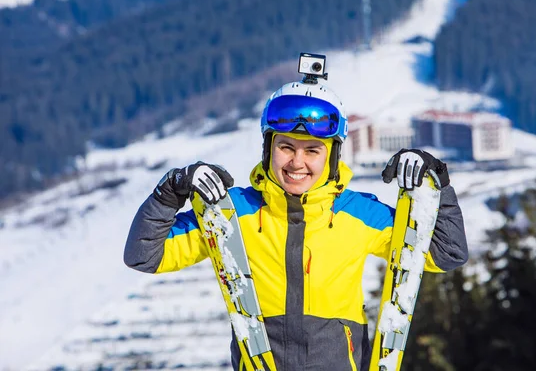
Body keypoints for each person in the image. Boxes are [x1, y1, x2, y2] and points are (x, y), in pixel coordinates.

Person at [124, 77, 468, 370]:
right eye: (286, 147)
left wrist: (437, 183)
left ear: (332, 155)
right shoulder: (232, 215)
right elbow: (144, 256)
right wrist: (171, 190)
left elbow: (446, 253)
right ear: (268, 148)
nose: (297, 162)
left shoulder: (360, 215)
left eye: (312, 151)